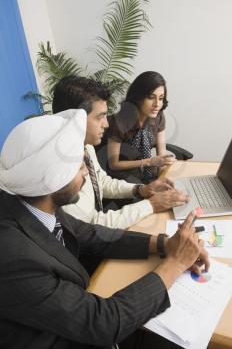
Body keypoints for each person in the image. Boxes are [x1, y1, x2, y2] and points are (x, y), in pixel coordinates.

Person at [0, 109, 209, 349]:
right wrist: (176, 264)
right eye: (78, 167)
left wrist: (164, 244)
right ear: (52, 179)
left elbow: (91, 234)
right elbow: (102, 323)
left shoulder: (36, 203)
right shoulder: (13, 256)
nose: (86, 174)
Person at [52, 75, 189, 230]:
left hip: (103, 221)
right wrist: (151, 205)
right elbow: (90, 226)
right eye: (100, 117)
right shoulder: (60, 171)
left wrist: (139, 189)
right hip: (89, 241)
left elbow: (102, 182)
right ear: (74, 119)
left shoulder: (86, 147)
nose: (106, 123)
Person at [107, 71, 176, 184]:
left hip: (148, 174)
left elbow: (161, 151)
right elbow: (114, 164)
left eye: (161, 98)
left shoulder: (158, 116)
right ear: (138, 97)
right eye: (151, 97)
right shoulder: (120, 121)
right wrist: (149, 162)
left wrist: (165, 165)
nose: (157, 104)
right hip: (123, 178)